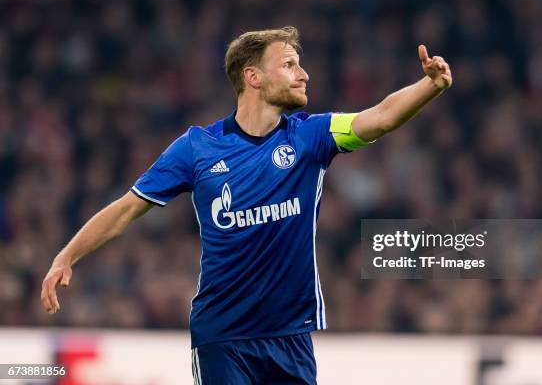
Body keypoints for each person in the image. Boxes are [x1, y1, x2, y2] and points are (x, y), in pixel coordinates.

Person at [41, 26, 452, 384]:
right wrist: (67, 255)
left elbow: (378, 118)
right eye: (289, 64)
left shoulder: (311, 136)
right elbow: (127, 209)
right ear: (253, 76)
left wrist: (429, 87)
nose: (303, 73)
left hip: (290, 336)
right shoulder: (197, 148)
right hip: (224, 337)